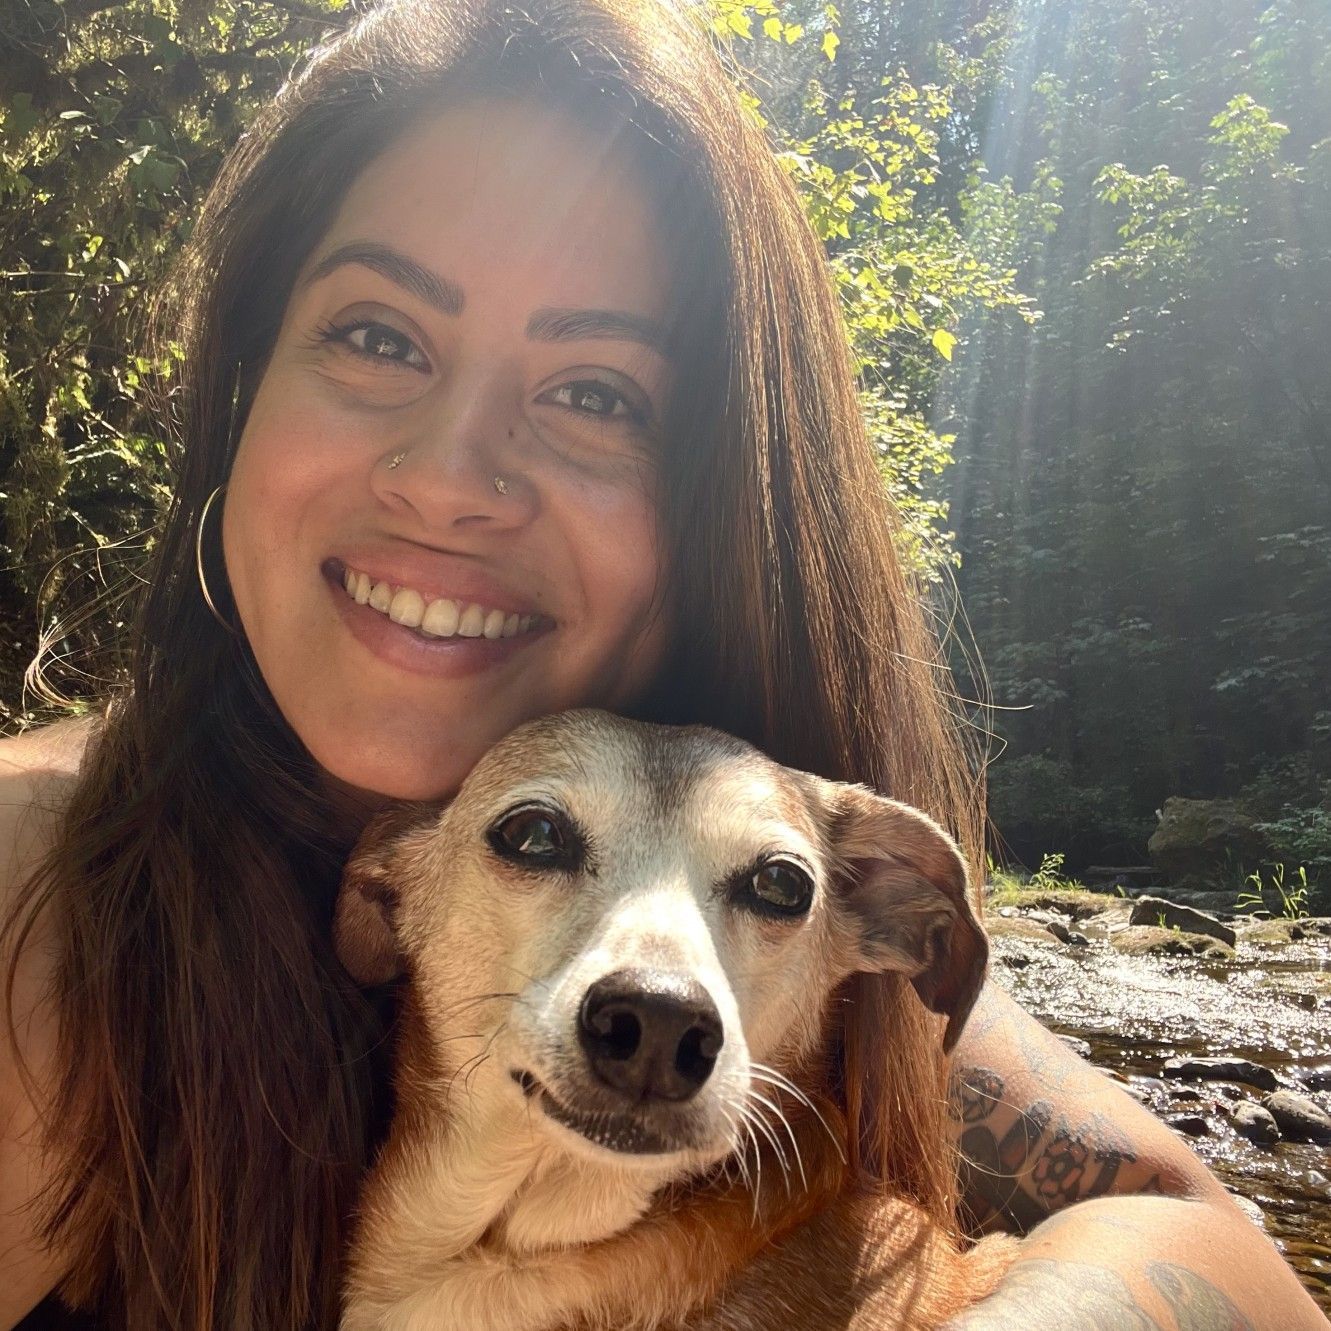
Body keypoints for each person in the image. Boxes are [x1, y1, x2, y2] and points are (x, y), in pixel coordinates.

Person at [1, 0, 1325, 1327]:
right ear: (237, 390)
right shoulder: (39, 903)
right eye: (379, 335)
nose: (450, 481)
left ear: (711, 508)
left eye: (595, 392)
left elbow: (1206, 1237)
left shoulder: (756, 914)